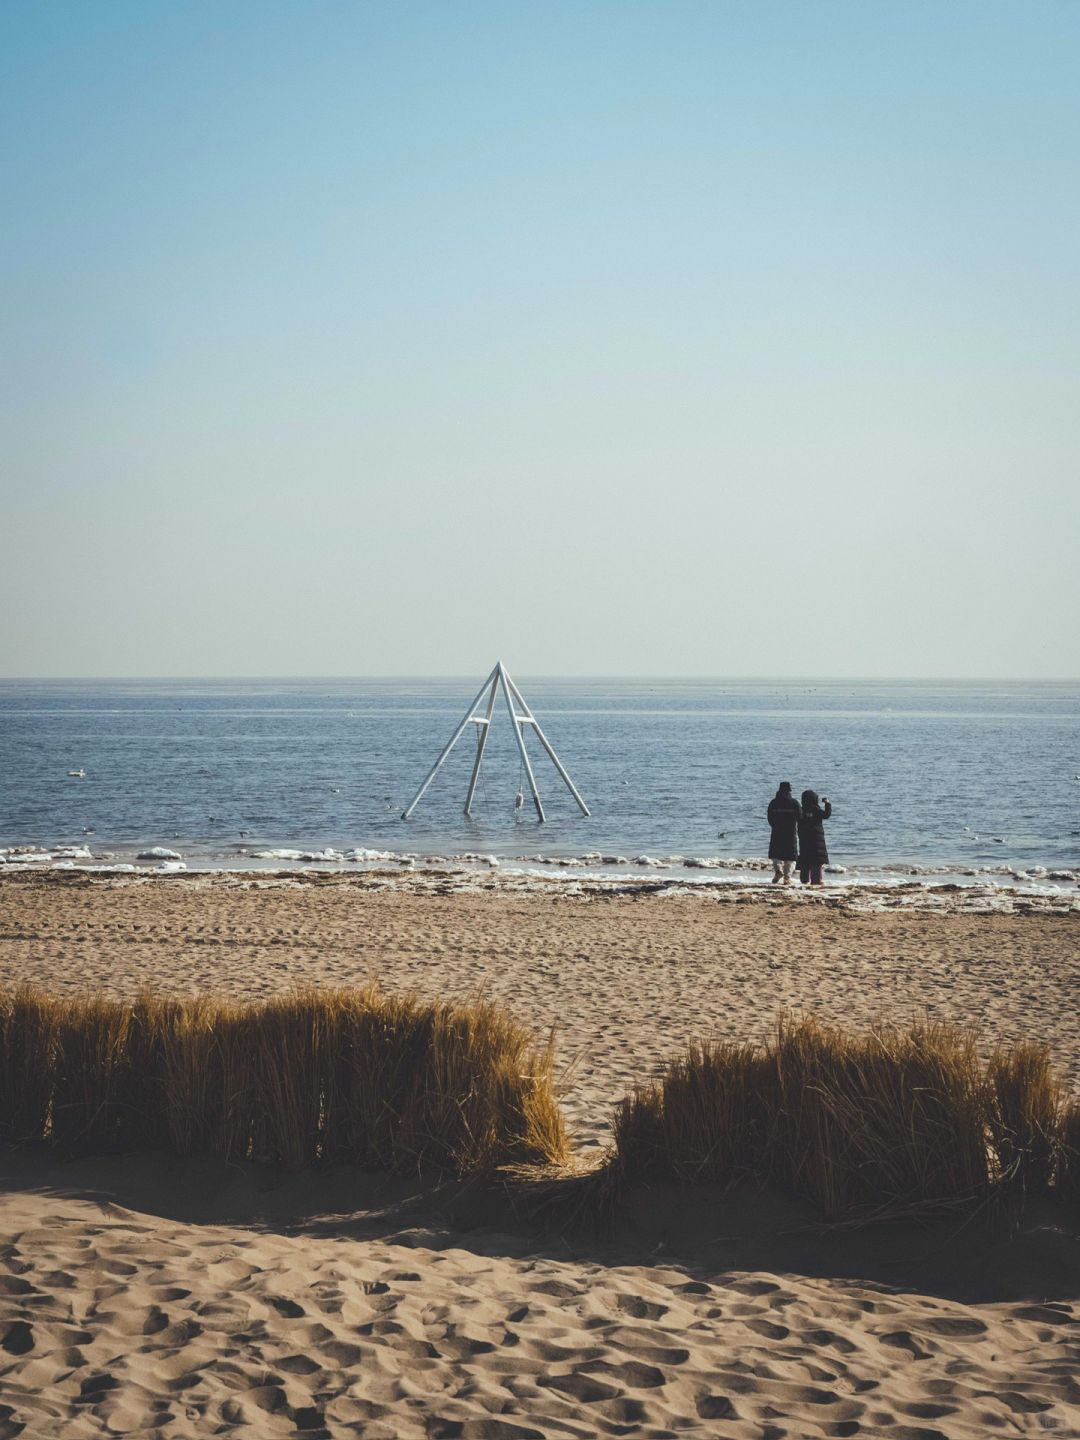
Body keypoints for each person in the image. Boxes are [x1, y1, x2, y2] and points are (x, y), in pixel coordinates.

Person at [767, 781, 801, 884]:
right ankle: (787, 878)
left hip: (777, 831)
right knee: (791, 856)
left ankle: (778, 871)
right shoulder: (794, 803)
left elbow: (769, 818)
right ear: (789, 791)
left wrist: (774, 825)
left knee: (775, 853)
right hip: (790, 832)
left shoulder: (773, 803)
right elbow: (800, 817)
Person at [797, 790, 832, 885]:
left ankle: (804, 879)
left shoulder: (801, 810)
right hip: (816, 839)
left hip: (804, 838)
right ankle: (816, 880)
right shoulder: (816, 810)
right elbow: (827, 814)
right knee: (816, 860)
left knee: (805, 858)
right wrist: (827, 803)